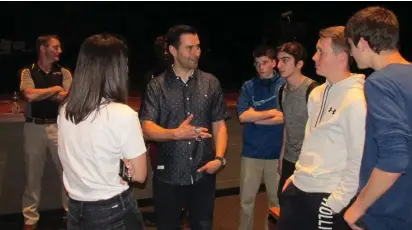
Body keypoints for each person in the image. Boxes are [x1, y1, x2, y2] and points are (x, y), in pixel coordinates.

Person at [139, 24, 230, 230]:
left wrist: (219, 158)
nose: (196, 53)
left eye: (198, 47)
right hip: (168, 174)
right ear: (172, 50)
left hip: (204, 172)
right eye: (190, 48)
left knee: (203, 225)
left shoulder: (211, 83)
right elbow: (147, 128)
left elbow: (219, 123)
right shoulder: (157, 86)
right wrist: (175, 134)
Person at [277, 26, 366, 230]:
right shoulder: (317, 94)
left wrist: (335, 204)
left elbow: (357, 160)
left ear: (341, 56)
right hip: (299, 188)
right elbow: (311, 141)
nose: (315, 57)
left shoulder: (356, 100)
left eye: (321, 52)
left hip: (328, 198)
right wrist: (294, 176)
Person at [57, 34, 147, 229]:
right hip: (113, 209)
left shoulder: (65, 110)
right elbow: (140, 175)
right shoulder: (123, 114)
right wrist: (125, 165)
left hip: (75, 208)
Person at [344, 6, 412, 230]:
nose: (351, 54)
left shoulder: (379, 82)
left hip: (389, 213)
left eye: (351, 46)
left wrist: (358, 207)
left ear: (363, 43)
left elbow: (394, 159)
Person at [19, 35, 72, 230]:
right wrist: (55, 90)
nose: (60, 51)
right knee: (32, 176)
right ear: (43, 48)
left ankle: (70, 213)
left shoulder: (64, 72)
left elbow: (68, 97)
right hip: (33, 127)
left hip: (59, 127)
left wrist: (45, 93)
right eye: (55, 47)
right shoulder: (28, 72)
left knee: (67, 172)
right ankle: (30, 219)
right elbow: (30, 95)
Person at [237, 46, 285, 230]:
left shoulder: (283, 85)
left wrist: (257, 117)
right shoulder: (249, 86)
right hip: (251, 153)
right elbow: (242, 116)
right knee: (246, 201)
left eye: (264, 62)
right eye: (257, 64)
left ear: (274, 63)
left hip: (276, 153)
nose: (260, 67)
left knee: (275, 203)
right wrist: (272, 112)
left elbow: (285, 116)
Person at [275, 41, 319, 204]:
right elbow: (287, 125)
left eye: (285, 60)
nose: (279, 65)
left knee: (304, 209)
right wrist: (281, 157)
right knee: (284, 203)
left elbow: (320, 132)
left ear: (299, 64)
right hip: (289, 159)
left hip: (308, 163)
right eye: (278, 60)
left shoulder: (313, 90)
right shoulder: (282, 91)